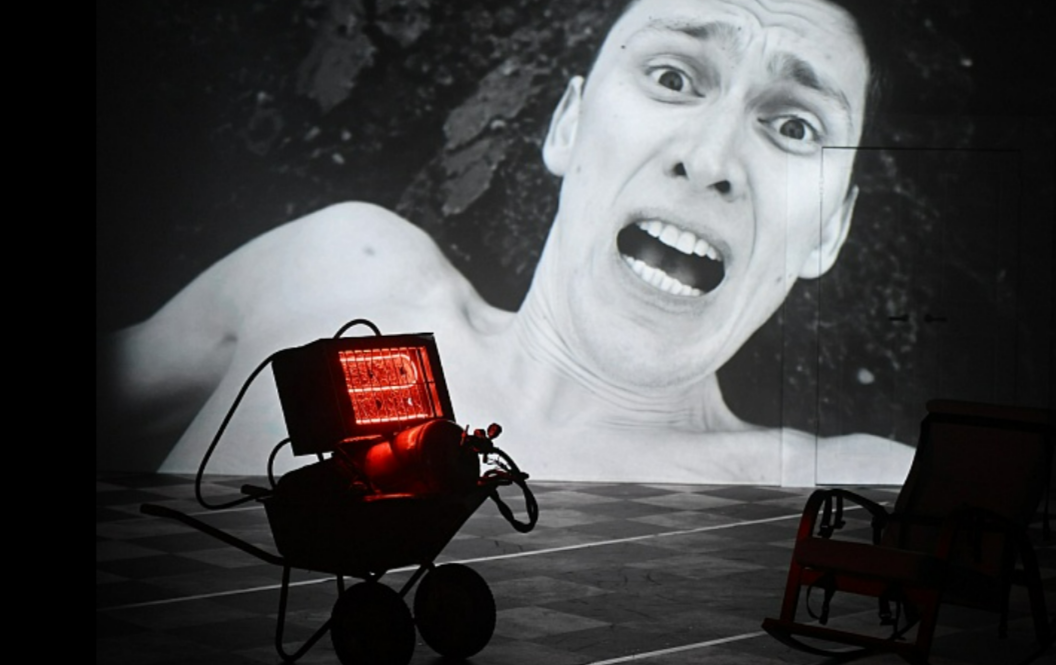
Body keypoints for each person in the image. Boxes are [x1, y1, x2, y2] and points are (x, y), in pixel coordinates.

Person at [97, 0, 915, 486]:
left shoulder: (847, 494)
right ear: (567, 125)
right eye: (672, 77)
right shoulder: (337, 274)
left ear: (829, 230)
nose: (708, 160)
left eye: (794, 126)